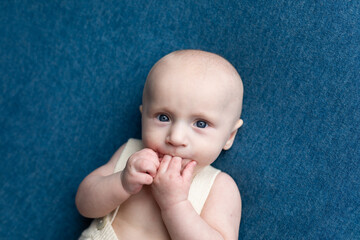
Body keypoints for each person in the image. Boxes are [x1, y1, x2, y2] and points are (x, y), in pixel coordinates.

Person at [76, 49, 244, 240]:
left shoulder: (219, 187)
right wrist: (121, 182)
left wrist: (175, 204)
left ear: (229, 136)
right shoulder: (130, 153)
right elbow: (84, 204)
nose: (176, 138)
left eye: (201, 124)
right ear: (143, 116)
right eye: (163, 117)